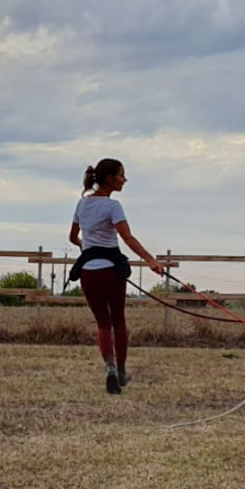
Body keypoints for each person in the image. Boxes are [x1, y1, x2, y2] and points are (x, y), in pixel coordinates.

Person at [68, 158, 164, 395]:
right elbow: (127, 238)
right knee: (118, 321)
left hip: (88, 272)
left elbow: (73, 238)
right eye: (122, 175)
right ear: (110, 179)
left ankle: (109, 367)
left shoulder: (82, 204)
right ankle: (121, 372)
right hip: (111, 270)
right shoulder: (113, 206)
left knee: (102, 323)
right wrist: (151, 260)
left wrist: (88, 250)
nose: (125, 180)